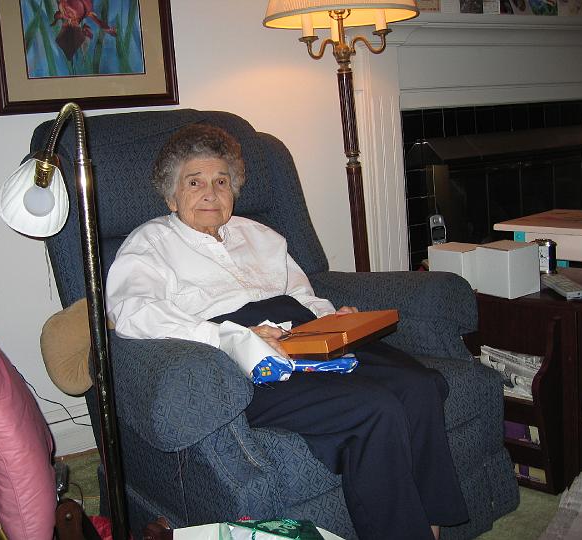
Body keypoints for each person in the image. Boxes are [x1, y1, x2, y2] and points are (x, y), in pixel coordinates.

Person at [105, 124, 469, 540]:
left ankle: (431, 525)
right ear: (171, 196)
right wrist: (225, 335)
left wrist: (333, 318)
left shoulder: (260, 235)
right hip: (244, 357)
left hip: (307, 334)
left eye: (221, 182)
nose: (210, 193)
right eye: (194, 182)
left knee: (420, 385)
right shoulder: (150, 242)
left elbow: (301, 294)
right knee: (374, 408)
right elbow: (132, 312)